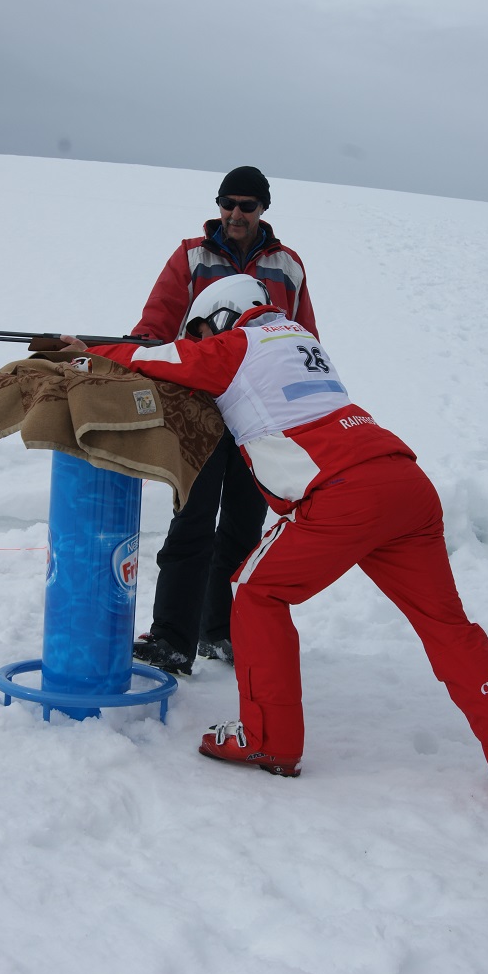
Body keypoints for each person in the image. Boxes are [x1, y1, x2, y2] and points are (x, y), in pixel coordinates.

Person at [64, 274, 488, 818]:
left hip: (344, 493)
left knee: (255, 592)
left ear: (226, 316)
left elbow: (162, 359)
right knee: (450, 631)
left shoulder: (234, 345)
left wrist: (90, 353)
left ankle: (268, 739)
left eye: (203, 330)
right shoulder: (300, 340)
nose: (201, 342)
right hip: (405, 482)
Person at [128, 166, 318, 675]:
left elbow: (304, 337)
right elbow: (155, 325)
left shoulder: (288, 266)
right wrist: (135, 355)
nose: (235, 214)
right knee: (192, 523)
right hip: (199, 414)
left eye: (247, 205)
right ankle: (171, 639)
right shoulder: (192, 256)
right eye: (227, 203)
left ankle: (221, 632)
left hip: (259, 418)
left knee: (242, 527)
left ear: (263, 210)